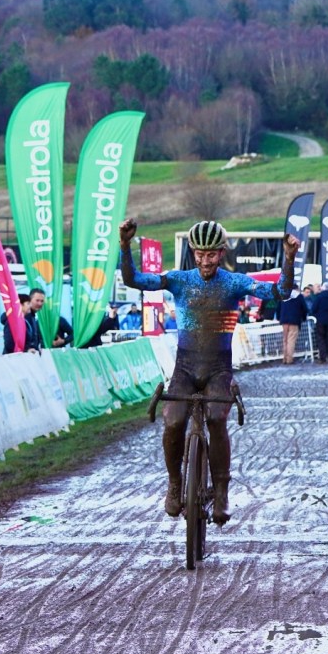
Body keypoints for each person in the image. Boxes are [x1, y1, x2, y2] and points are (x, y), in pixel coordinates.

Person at [119, 217, 299, 525]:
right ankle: (174, 484)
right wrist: (124, 245)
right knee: (173, 421)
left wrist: (290, 258)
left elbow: (280, 292)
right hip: (185, 368)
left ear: (222, 253)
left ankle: (222, 491)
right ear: (193, 252)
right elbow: (134, 280)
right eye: (200, 254)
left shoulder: (234, 282)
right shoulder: (178, 279)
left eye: (212, 254)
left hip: (219, 369)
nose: (205, 261)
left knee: (216, 419)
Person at [278, 287, 309, 365]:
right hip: (294, 320)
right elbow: (304, 308)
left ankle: (284, 358)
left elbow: (278, 308)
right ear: (297, 288)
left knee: (285, 340)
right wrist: (304, 318)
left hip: (284, 320)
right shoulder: (299, 296)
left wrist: (279, 318)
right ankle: (289, 359)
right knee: (291, 340)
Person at [311, 282, 328, 363]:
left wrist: (317, 316)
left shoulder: (319, 298)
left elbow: (313, 309)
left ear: (322, 288)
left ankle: (322, 357)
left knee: (321, 339)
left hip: (320, 321)